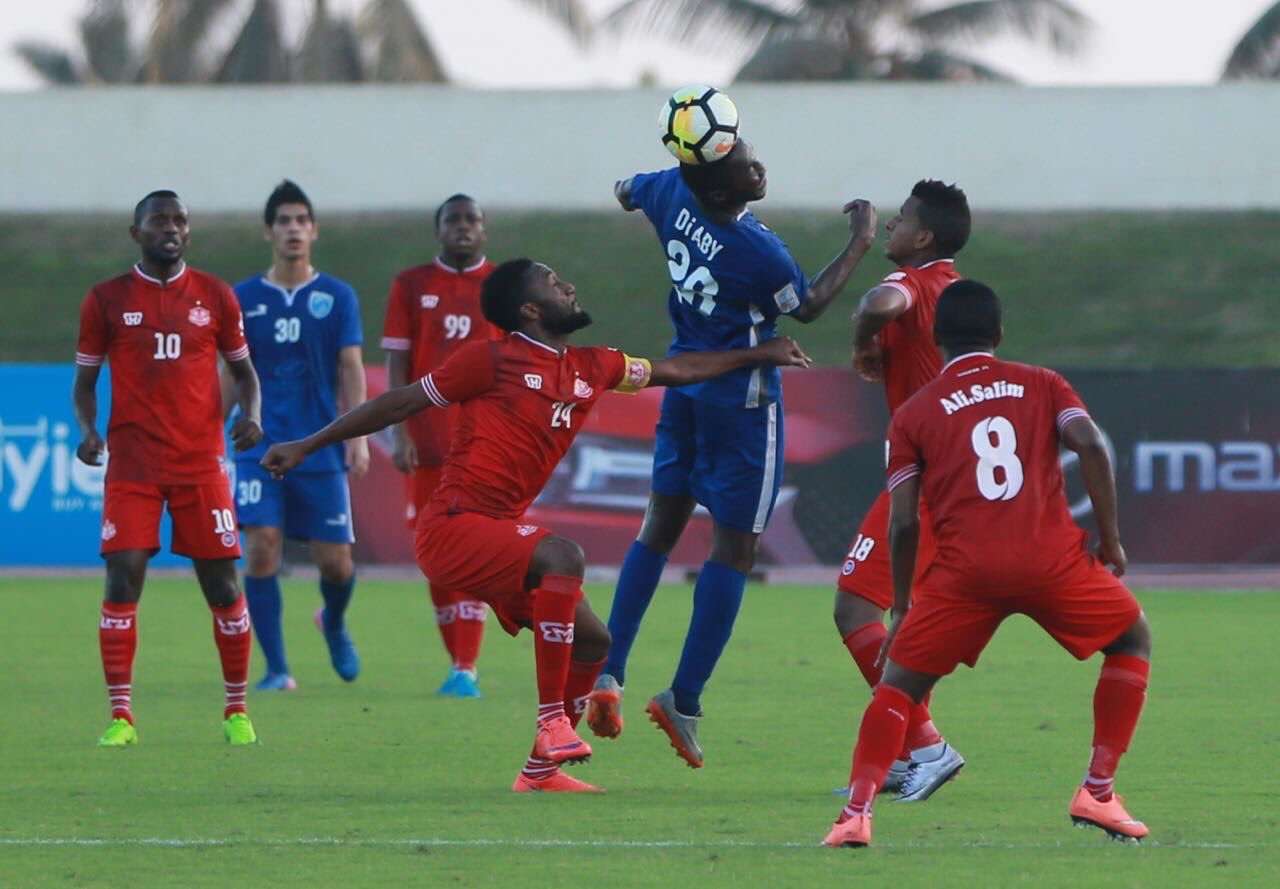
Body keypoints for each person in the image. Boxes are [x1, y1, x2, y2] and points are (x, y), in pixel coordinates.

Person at [262, 259, 812, 792]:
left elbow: (680, 371)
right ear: (529, 309)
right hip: (452, 526)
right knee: (564, 555)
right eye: (554, 282)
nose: (569, 286)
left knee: (595, 643)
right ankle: (553, 723)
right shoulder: (489, 360)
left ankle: (539, 771)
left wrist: (759, 352)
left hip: (497, 532)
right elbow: (401, 402)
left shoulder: (594, 366)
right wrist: (307, 446)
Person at [823, 280, 1152, 847]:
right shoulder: (1043, 383)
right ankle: (1098, 792)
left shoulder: (914, 412)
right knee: (1131, 641)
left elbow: (905, 523)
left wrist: (902, 605)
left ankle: (855, 815)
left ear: (934, 336)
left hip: (966, 574)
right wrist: (1111, 539)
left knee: (897, 686)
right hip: (1052, 562)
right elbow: (1092, 446)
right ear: (998, 335)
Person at [589, 138, 873, 768]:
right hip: (741, 406)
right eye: (746, 164)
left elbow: (624, 189)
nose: (759, 166)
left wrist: (661, 183)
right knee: (734, 551)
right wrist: (860, 239)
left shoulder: (670, 188)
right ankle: (682, 700)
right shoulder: (756, 251)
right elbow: (810, 306)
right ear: (720, 189)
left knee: (658, 528)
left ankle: (608, 671)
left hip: (685, 388)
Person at [73, 190, 264, 747]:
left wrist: (251, 416)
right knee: (123, 573)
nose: (171, 228)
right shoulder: (106, 299)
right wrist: (89, 431)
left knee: (223, 584)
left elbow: (246, 375)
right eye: (159, 220)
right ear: (137, 233)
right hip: (132, 464)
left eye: (179, 220)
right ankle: (121, 717)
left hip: (200, 464)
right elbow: (84, 384)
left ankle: (236, 710)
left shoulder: (215, 296)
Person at [833, 181, 971, 800]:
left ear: (925, 238)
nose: (891, 225)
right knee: (895, 621)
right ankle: (903, 750)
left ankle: (927, 746)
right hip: (945, 475)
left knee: (856, 607)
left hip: (926, 478)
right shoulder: (951, 289)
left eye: (902, 220)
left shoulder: (917, 285)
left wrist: (862, 340)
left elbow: (880, 301)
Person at [227, 180, 368, 690]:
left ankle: (331, 620)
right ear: (269, 231)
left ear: (314, 231)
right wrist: (209, 432)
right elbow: (232, 373)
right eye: (283, 221)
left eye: (300, 220)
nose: (292, 229)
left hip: (319, 443)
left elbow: (350, 367)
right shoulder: (242, 298)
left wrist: (358, 435)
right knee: (263, 545)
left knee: (336, 563)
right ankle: (276, 669)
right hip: (258, 446)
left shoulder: (337, 296)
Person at [382, 194, 501, 698]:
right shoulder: (411, 285)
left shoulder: (502, 286)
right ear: (439, 231)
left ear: (484, 230)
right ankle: (457, 661)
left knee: (472, 549)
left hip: (483, 443)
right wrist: (400, 429)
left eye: (471, 219)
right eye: (452, 220)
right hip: (428, 441)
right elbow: (396, 365)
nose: (462, 227)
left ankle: (466, 667)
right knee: (434, 556)